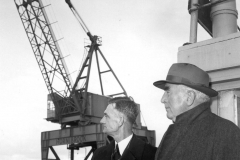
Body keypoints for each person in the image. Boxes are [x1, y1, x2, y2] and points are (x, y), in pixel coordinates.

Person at [153, 63, 240, 160]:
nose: (163, 99)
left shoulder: (228, 133)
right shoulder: (227, 131)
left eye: (168, 92)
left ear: (189, 97)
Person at [91, 97, 157, 160]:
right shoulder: (98, 155)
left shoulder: (154, 155)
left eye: (106, 116)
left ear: (120, 120)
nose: (101, 121)